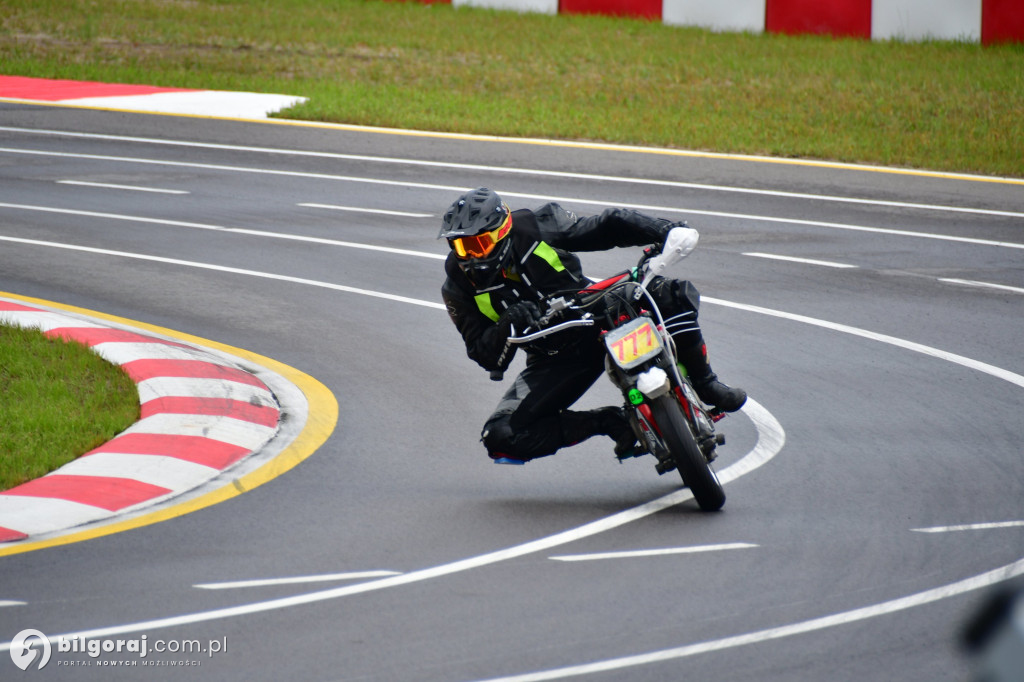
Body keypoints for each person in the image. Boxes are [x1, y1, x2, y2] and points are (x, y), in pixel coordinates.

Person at [439, 187, 745, 464]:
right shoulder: (456, 288)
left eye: (479, 244)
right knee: (501, 435)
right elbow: (484, 355)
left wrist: (667, 230)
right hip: (553, 355)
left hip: (595, 311)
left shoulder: (536, 225)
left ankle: (706, 383)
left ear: (502, 232)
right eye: (462, 247)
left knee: (670, 293)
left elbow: (605, 226)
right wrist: (509, 322)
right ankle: (611, 422)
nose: (471, 256)